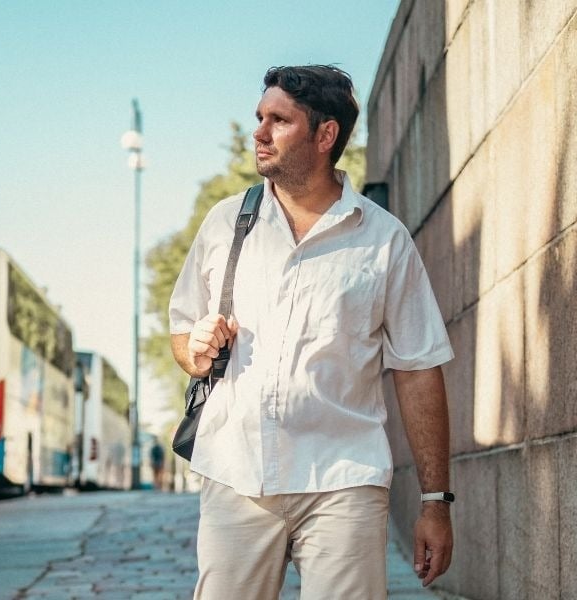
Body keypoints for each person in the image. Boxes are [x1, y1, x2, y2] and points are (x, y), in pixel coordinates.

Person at [169, 65, 454, 600]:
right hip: (236, 475)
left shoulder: (384, 240)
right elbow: (184, 333)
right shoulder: (226, 224)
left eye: (279, 120)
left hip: (343, 481)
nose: (259, 132)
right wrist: (197, 350)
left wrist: (435, 502)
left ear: (326, 135)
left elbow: (418, 370)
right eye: (260, 117)